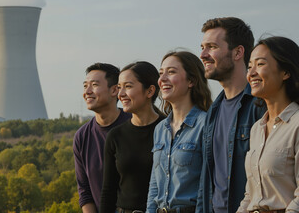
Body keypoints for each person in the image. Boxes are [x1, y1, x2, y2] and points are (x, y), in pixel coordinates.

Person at [196, 17, 266, 213]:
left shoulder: (260, 105)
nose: (203, 54)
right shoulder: (213, 112)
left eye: (211, 47)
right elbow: (207, 178)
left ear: (238, 52)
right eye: (202, 47)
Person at [237, 36, 299, 212]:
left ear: (285, 72)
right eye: (249, 67)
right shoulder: (257, 128)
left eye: (260, 64)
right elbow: (250, 195)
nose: (251, 73)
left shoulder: (296, 125)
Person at [146, 51, 212, 213]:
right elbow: (155, 184)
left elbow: (208, 185)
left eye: (171, 72)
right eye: (161, 73)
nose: (162, 79)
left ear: (191, 80)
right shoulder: (160, 128)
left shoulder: (206, 124)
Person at [100, 61, 166, 213]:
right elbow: (108, 191)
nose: (121, 94)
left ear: (150, 91)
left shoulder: (169, 130)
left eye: (128, 86)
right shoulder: (115, 136)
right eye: (119, 87)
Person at [74, 63, 131, 212]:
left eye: (94, 85)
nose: (87, 91)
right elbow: (85, 192)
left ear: (114, 90)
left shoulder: (134, 125)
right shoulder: (82, 136)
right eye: (85, 85)